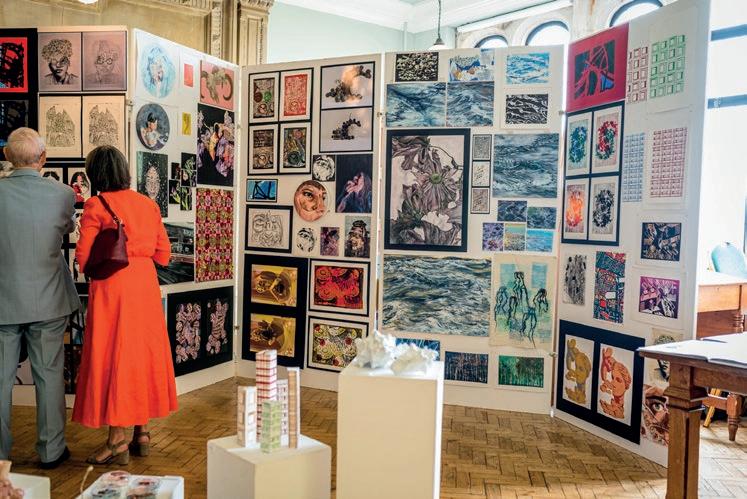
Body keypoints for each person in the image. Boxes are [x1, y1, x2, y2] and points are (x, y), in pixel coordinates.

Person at [72, 145, 177, 465]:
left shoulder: (96, 205)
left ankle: (116, 440)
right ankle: (141, 433)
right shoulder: (147, 204)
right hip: (144, 286)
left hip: (113, 289)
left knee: (114, 355)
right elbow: (164, 255)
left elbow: (83, 258)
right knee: (141, 354)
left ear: (95, 174)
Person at [0, 128, 79, 468]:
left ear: (7, 157)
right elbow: (66, 229)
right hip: (49, 298)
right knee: (49, 376)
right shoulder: (63, 194)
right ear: (43, 158)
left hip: (3, 301)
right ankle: (51, 450)